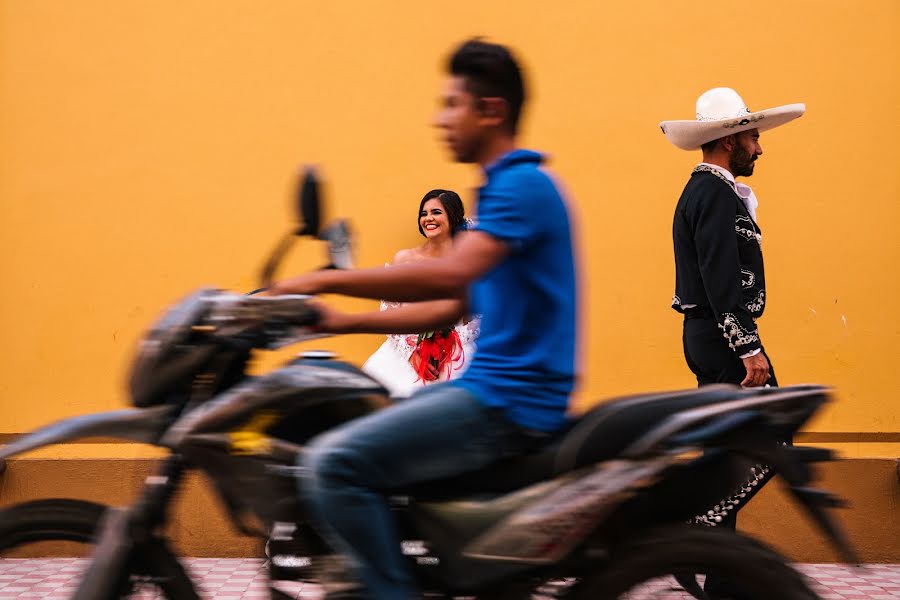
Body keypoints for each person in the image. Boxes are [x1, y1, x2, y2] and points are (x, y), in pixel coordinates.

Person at [269, 38, 578, 599]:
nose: (440, 120)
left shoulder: (521, 187)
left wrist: (318, 279)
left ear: (492, 111)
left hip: (507, 403)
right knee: (370, 416)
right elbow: (453, 306)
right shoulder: (500, 193)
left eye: (452, 104)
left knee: (331, 464)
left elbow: (446, 279)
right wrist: (339, 322)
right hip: (493, 392)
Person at [660, 87, 805, 599]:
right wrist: (748, 347)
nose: (760, 149)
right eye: (754, 137)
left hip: (706, 332)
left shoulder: (705, 191)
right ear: (729, 140)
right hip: (723, 337)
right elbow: (721, 278)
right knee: (776, 436)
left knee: (728, 448)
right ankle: (696, 527)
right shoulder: (714, 194)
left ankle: (721, 576)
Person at [361, 189, 479, 397]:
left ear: (452, 216)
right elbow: (390, 310)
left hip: (457, 356)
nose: (429, 218)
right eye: (424, 214)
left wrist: (451, 344)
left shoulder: (468, 262)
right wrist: (412, 353)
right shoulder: (405, 259)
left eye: (436, 212)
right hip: (405, 355)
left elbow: (479, 311)